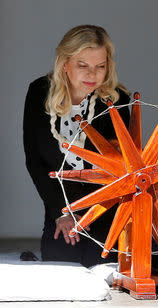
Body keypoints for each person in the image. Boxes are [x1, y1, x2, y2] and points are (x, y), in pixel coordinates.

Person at [23, 25, 130, 267]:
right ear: (64, 64)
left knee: (104, 266)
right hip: (59, 205)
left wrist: (93, 213)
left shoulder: (117, 100)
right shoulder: (39, 92)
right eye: (83, 65)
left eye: (100, 66)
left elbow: (121, 168)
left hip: (105, 207)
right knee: (60, 264)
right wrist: (62, 213)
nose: (92, 74)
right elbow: (35, 160)